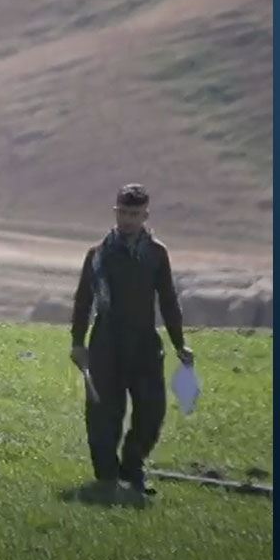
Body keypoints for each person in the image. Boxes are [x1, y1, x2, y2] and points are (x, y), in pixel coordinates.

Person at [70, 183, 194, 499]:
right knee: (103, 413)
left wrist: (180, 343)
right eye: (123, 213)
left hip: (143, 343)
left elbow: (168, 300)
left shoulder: (156, 254)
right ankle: (107, 478)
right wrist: (78, 342)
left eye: (135, 214)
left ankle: (133, 467)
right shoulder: (98, 255)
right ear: (115, 212)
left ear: (145, 215)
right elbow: (83, 301)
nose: (128, 220)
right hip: (106, 343)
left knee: (151, 412)